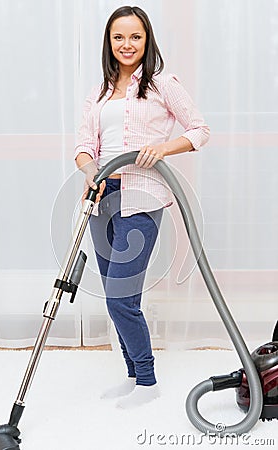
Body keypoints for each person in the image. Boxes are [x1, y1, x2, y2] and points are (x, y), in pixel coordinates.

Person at [75, 5, 210, 409]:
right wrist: (89, 172)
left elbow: (200, 129)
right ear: (109, 42)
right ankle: (133, 375)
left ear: (147, 39)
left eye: (135, 36)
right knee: (116, 296)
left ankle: (148, 380)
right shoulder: (98, 94)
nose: (127, 44)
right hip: (103, 202)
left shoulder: (162, 84)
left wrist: (162, 147)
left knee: (121, 298)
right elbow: (83, 147)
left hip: (142, 199)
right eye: (119, 37)